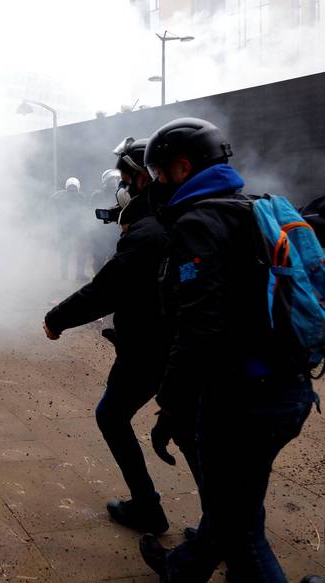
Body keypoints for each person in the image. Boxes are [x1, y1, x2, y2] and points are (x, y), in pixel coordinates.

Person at [137, 118, 319, 582]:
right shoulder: (253, 208)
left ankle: (186, 569)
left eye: (158, 174)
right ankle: (183, 568)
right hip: (289, 388)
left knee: (242, 530)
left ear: (181, 168)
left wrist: (172, 406)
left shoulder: (199, 224)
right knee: (235, 508)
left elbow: (198, 328)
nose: (155, 185)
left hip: (244, 399)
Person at [43, 138, 172, 535]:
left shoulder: (150, 231)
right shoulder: (178, 216)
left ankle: (150, 508)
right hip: (181, 345)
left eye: (128, 177)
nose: (124, 187)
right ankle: (225, 529)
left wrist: (57, 318)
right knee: (192, 431)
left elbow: (106, 289)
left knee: (112, 416)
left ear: (145, 178)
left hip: (154, 347)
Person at [50, 177, 90, 280]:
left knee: (73, 252)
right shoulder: (81, 197)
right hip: (70, 229)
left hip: (72, 229)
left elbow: (52, 202)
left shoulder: (60, 196)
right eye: (70, 188)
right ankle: (73, 275)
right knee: (71, 252)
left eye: (73, 188)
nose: (72, 190)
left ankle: (72, 274)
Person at [88, 169, 122, 274]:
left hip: (116, 232)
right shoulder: (98, 194)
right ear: (106, 181)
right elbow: (92, 212)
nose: (114, 182)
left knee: (115, 260)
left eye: (116, 179)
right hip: (100, 233)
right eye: (112, 180)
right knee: (99, 260)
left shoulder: (121, 194)